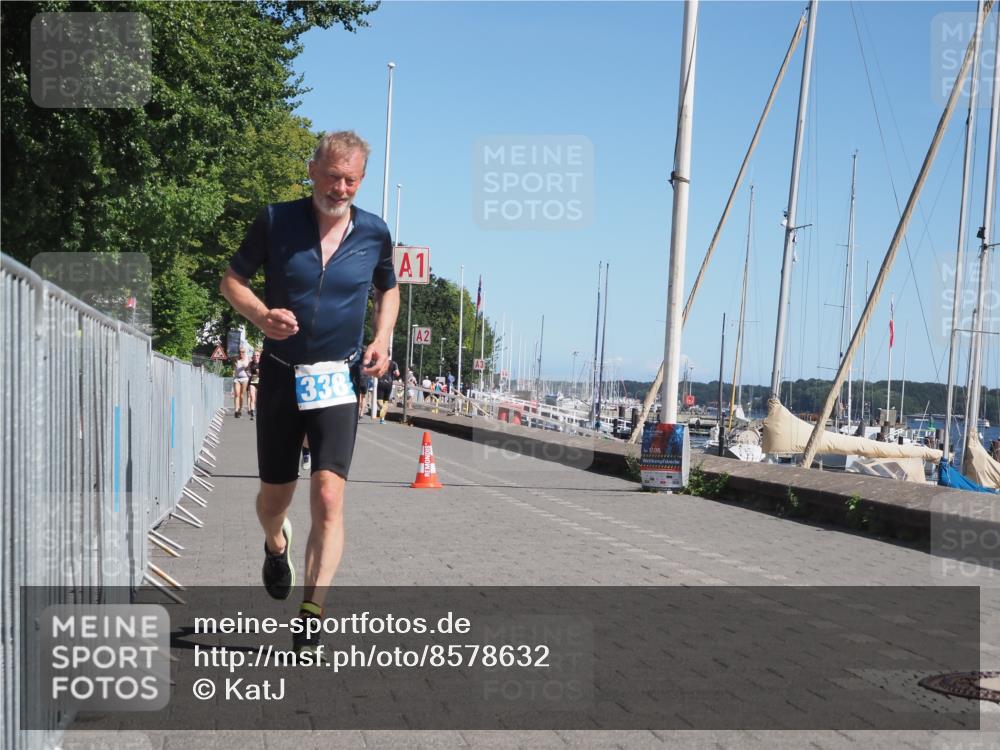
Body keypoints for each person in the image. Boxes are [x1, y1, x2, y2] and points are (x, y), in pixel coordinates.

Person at [219, 130, 399, 656]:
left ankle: (312, 611)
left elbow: (388, 287)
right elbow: (232, 280)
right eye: (332, 176)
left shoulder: (375, 232)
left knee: (328, 495)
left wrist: (383, 337)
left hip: (338, 378)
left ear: (361, 182)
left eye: (351, 180)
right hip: (279, 374)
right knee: (275, 498)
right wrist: (259, 313)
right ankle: (277, 544)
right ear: (312, 170)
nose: (340, 188)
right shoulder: (276, 220)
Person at [233, 347, 250, 417]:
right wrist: (235, 365)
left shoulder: (247, 359)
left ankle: (240, 409)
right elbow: (234, 368)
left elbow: (249, 368)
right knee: (237, 394)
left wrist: (246, 367)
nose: (241, 353)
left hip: (244, 379)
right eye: (240, 352)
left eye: (243, 352)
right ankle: (236, 410)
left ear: (245, 352)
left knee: (241, 396)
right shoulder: (236, 359)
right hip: (237, 378)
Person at [247, 350, 262, 420]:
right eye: (254, 355)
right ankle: (252, 412)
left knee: (259, 398)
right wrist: (249, 374)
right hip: (252, 382)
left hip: (261, 382)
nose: (256, 356)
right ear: (253, 356)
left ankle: (259, 411)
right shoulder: (251, 363)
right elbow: (247, 370)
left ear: (260, 356)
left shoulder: (262, 363)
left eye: (257, 355)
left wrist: (259, 373)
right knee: (252, 397)